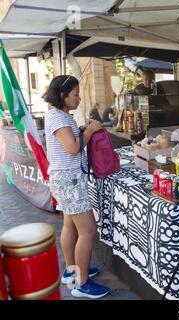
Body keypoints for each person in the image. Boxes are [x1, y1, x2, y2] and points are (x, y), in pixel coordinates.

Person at [43, 75, 110, 299]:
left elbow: (68, 141)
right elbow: (72, 148)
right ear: (63, 95)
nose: (79, 98)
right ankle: (81, 284)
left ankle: (73, 270)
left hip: (65, 179)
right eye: (75, 94)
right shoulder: (58, 118)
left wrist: (81, 129)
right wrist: (89, 132)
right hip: (68, 181)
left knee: (70, 225)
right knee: (89, 230)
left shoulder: (59, 116)